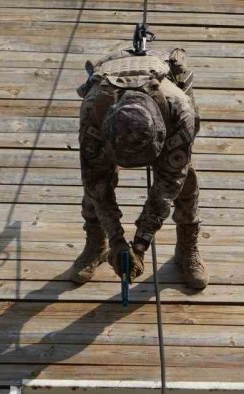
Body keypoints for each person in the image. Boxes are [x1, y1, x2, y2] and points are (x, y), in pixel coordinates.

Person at [70, 45, 208, 291]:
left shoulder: (179, 110)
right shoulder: (93, 110)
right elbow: (96, 182)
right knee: (94, 180)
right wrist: (117, 240)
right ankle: (96, 243)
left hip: (168, 108)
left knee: (184, 179)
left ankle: (187, 246)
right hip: (110, 87)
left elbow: (167, 185)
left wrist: (140, 245)